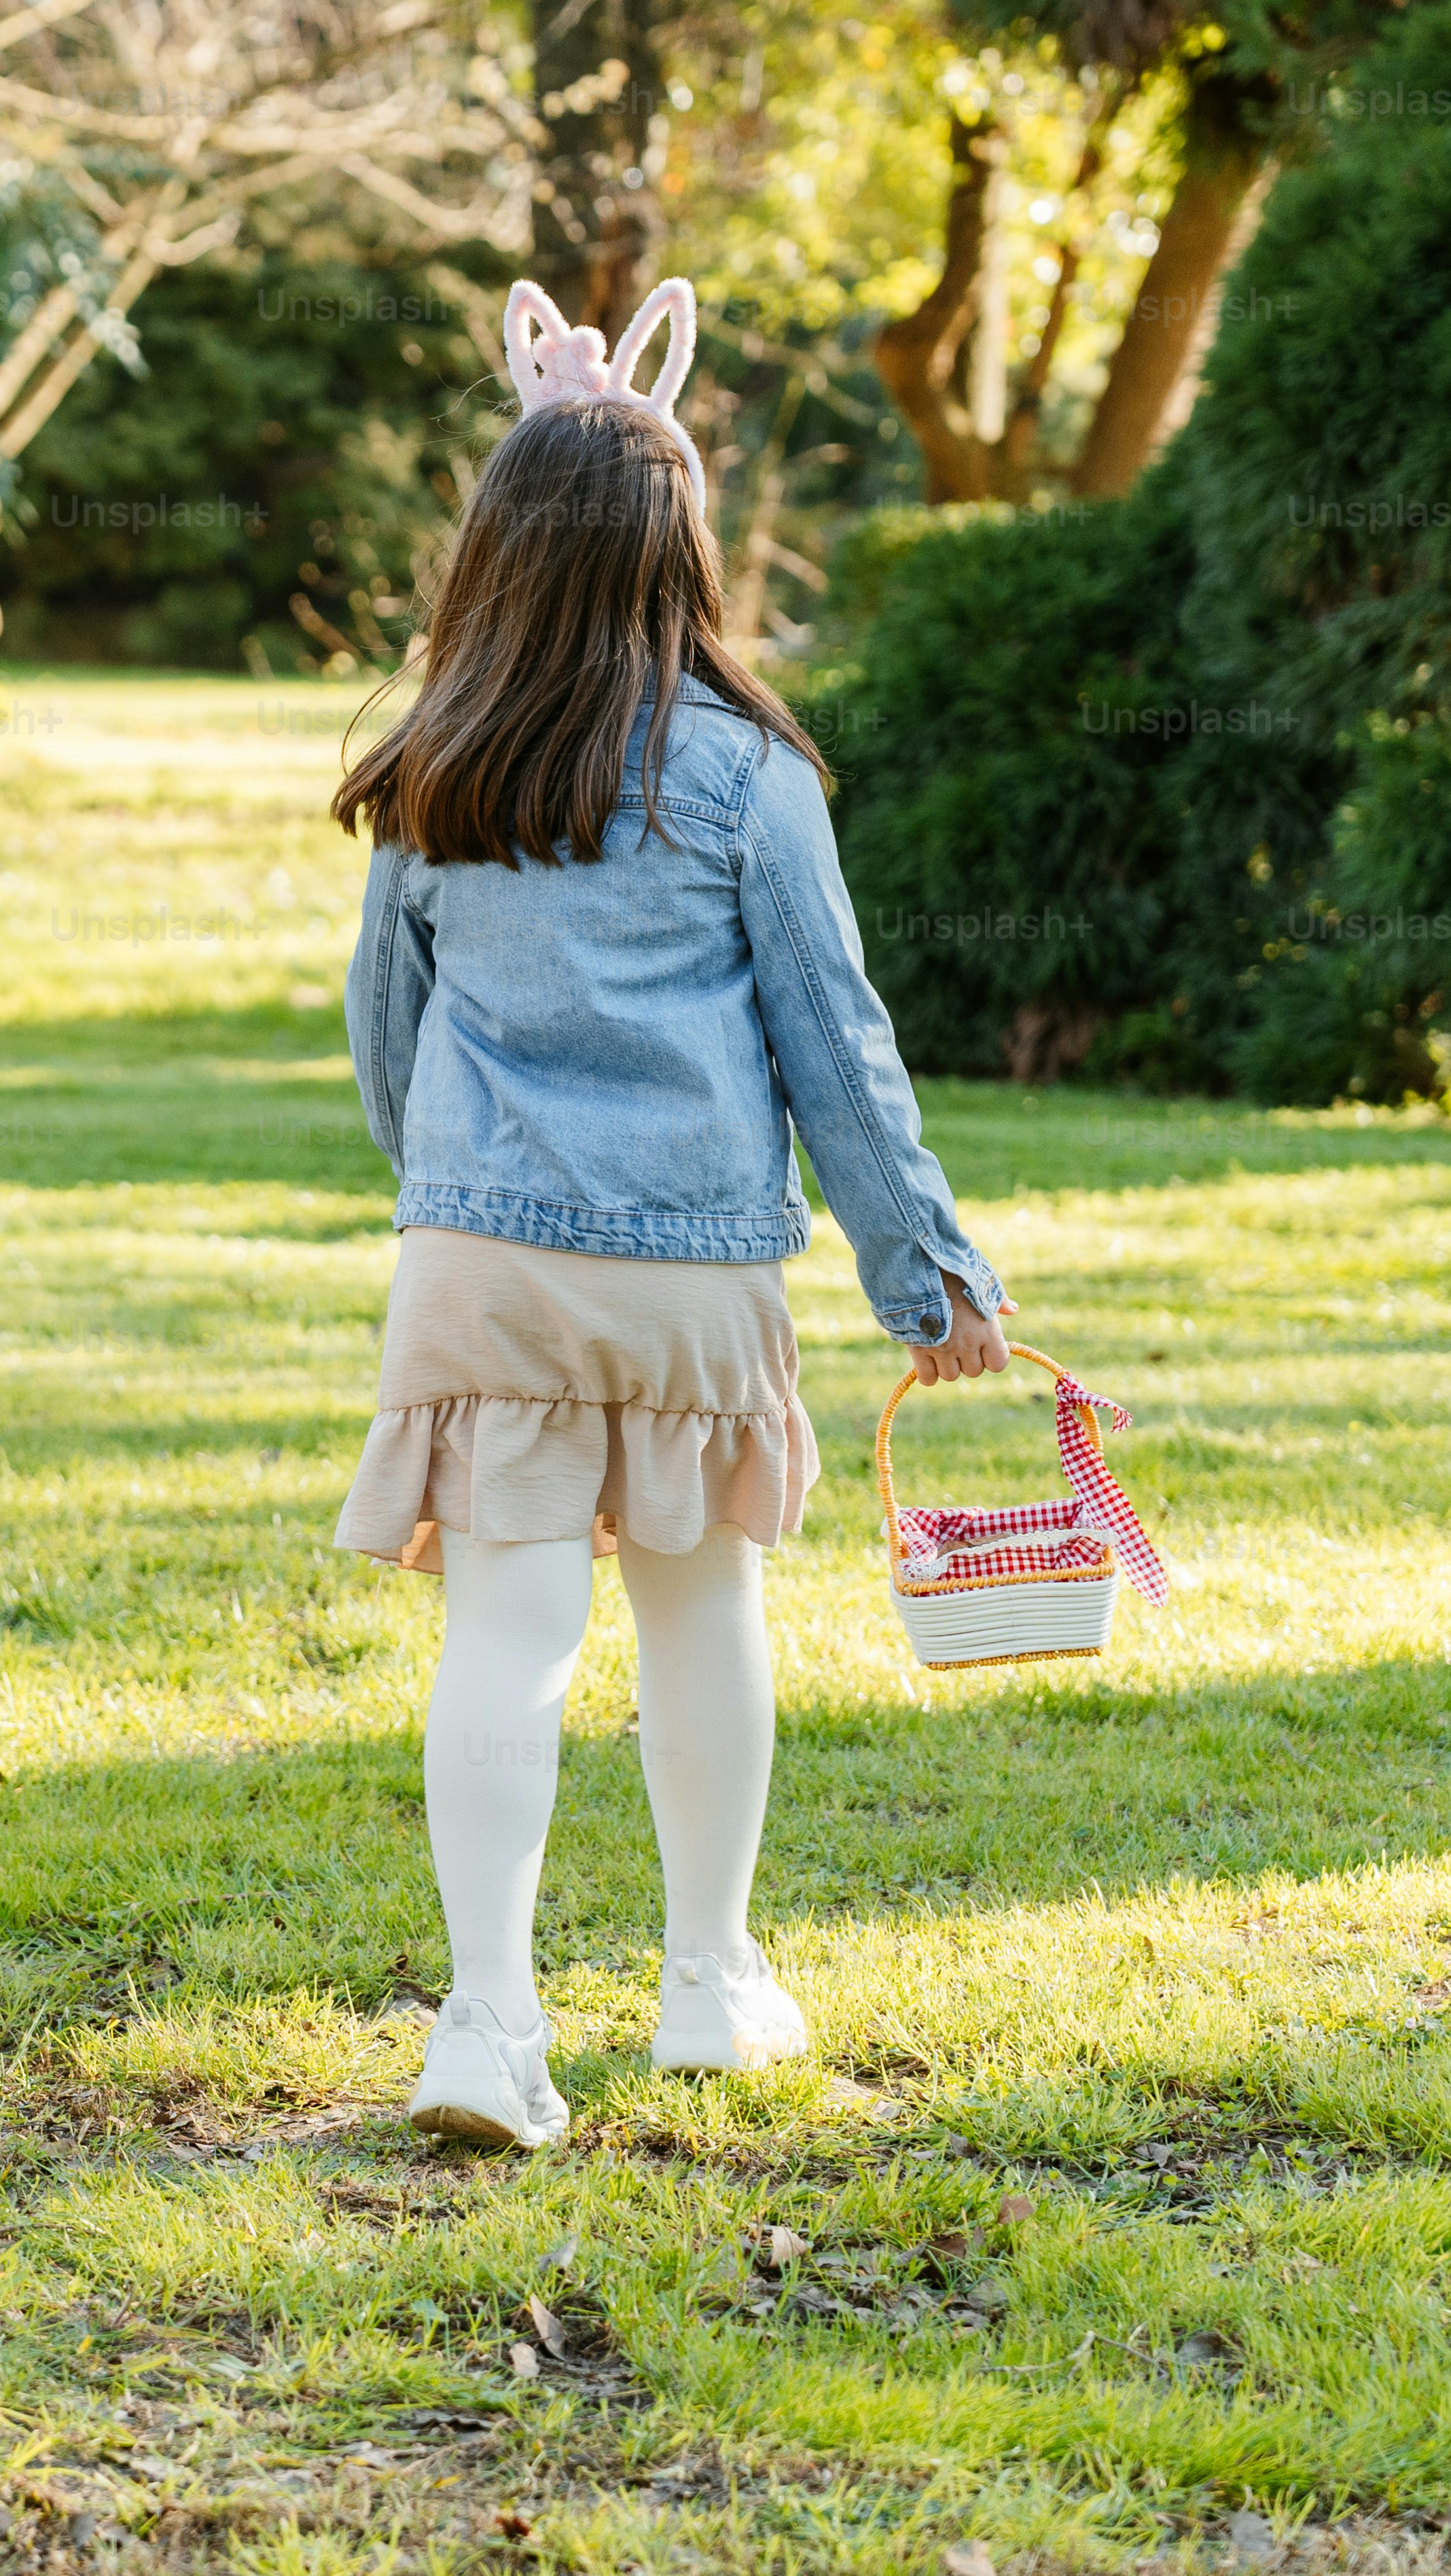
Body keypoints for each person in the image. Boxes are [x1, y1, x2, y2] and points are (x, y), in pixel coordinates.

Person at [332, 277, 1009, 2151]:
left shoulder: (434, 772)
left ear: (493, 554)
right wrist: (926, 1269)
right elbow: (836, 1045)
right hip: (694, 1273)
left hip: (482, 1270)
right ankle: (709, 1983)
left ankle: (487, 2025)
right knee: (702, 1613)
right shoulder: (749, 777)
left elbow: (387, 1042)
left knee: (506, 1637)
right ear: (681, 549)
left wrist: (450, 1205)